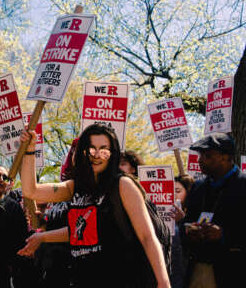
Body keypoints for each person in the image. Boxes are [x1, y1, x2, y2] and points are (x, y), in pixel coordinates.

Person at [18, 123, 171, 288]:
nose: (97, 156)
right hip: (83, 278)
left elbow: (147, 237)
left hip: (121, 279)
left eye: (104, 151)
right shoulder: (74, 187)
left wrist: (163, 282)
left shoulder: (122, 184)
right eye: (91, 150)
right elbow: (30, 191)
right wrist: (30, 149)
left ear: (112, 155)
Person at [182, 133, 246, 287]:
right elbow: (186, 221)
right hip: (197, 268)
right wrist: (189, 231)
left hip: (232, 273)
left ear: (226, 158)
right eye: (200, 155)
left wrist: (223, 235)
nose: (199, 160)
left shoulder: (243, 185)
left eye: (207, 155)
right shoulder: (198, 187)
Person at [169, 174, 195, 288]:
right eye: (170, 191)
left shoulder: (195, 214)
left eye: (178, 191)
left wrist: (182, 221)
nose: (173, 195)